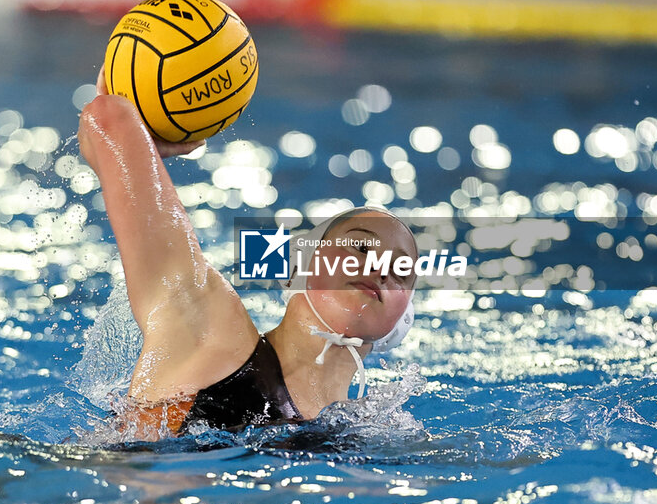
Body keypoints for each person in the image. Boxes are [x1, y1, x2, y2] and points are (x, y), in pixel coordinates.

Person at [77, 72, 418, 440]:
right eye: (361, 246)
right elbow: (109, 116)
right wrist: (154, 137)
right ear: (301, 266)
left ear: (402, 322)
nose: (380, 267)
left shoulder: (368, 431)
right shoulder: (207, 325)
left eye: (402, 270)